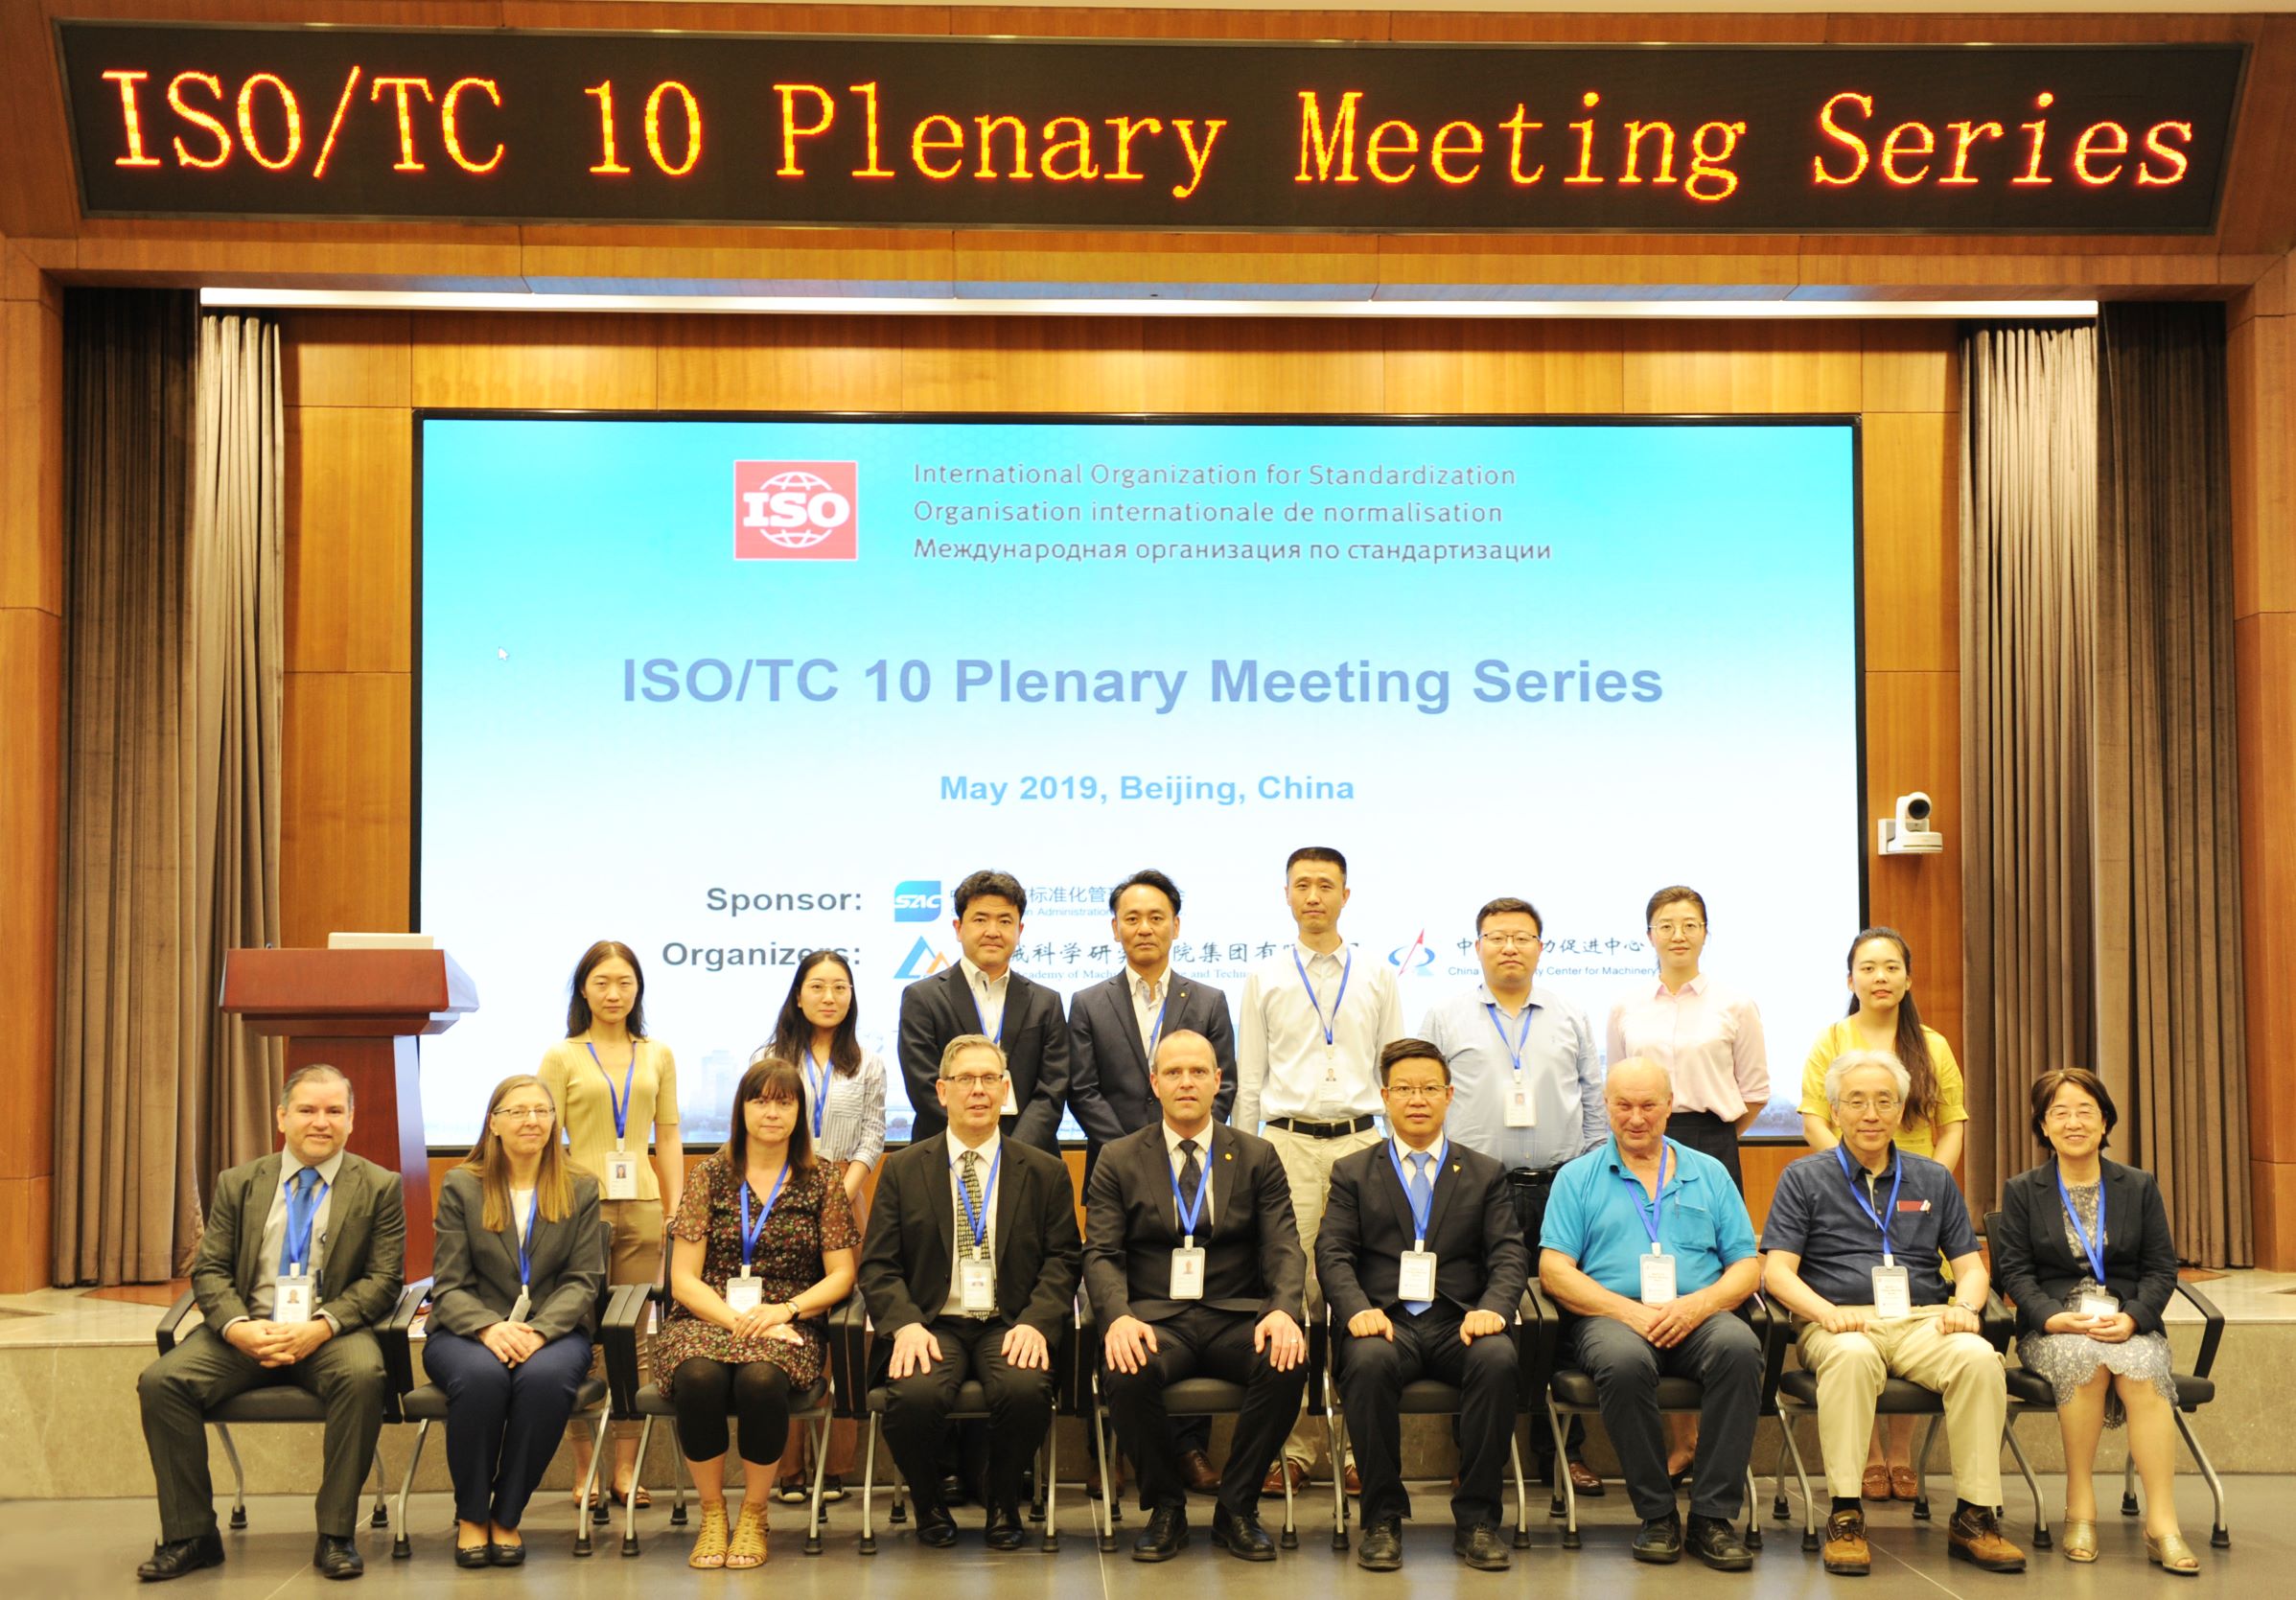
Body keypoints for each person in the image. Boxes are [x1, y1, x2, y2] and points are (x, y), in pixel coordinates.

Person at [135, 1064, 406, 1583]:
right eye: (307, 1110)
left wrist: (321, 1326)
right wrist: (237, 1327)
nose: (321, 1122)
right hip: (245, 1331)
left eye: (334, 1111)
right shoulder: (238, 1183)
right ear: (282, 1117)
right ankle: (191, 1535)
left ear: (351, 1119)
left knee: (363, 1376)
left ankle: (336, 1534)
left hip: (331, 1333)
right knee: (162, 1382)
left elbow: (383, 1280)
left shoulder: (379, 1186)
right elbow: (210, 1270)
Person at [1761, 1051, 2024, 1577]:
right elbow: (1777, 1273)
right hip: (1841, 1322)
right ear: (1835, 1111)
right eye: (1856, 1101)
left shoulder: (1932, 1178)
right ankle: (1845, 1515)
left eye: (1884, 1101)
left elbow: (1972, 1269)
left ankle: (1974, 1516)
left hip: (1923, 1321)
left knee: (1979, 1359)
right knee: (1852, 1357)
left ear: (1901, 1110)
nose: (1871, 1113)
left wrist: (1965, 1307)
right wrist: (1825, 1312)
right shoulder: (1803, 1177)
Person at [1086, 1030, 1309, 1562]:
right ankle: (1166, 1508)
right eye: (1173, 1072)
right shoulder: (1118, 1158)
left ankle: (1237, 1509)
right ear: (1154, 1083)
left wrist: (1283, 1310)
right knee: (1125, 1367)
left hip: (1236, 1317)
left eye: (1198, 1072)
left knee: (1286, 1361)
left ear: (1218, 1081)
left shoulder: (1256, 1156)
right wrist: (1118, 1317)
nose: (1186, 1082)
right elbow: (1100, 1254)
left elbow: (1283, 1246)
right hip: (1155, 1321)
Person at [858, 1034, 1083, 1548]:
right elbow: (878, 1265)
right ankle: (928, 1502)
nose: (978, 1090)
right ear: (942, 1092)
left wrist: (1037, 1322)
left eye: (989, 1079)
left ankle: (1003, 1500)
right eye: (965, 1079)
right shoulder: (904, 1169)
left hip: (1010, 1320)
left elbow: (1064, 1259)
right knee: (912, 1396)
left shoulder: (1044, 1171)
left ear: (1006, 1090)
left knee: (1026, 1389)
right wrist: (905, 1324)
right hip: (931, 1322)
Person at [1538, 1058, 1761, 1570]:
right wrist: (1628, 1313)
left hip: (1699, 1314)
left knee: (1741, 1349)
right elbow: (1554, 1271)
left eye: (1648, 1105)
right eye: (1623, 1105)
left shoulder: (1709, 1173)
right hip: (1611, 1317)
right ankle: (1657, 1514)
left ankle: (1712, 1517)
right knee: (1623, 1363)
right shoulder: (1577, 1177)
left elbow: (1747, 1267)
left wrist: (1699, 1305)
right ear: (1606, 1106)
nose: (1636, 1118)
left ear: (1669, 1106)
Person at [1317, 1039, 1527, 1573]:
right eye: (1405, 1089)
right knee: (1366, 1361)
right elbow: (1333, 1253)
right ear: (1384, 1096)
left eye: (1430, 1088)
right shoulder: (1352, 1171)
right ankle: (1382, 1518)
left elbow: (1508, 1254)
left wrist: (1493, 1308)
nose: (1417, 1099)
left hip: (1460, 1321)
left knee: (1498, 1357)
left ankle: (1478, 1520)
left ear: (1449, 1095)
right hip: (1385, 1322)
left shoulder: (1483, 1171)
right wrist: (1356, 1309)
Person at [1420, 895, 1605, 1496]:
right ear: (1477, 947)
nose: (1509, 947)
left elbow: (1594, 1098)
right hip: (1473, 1188)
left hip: (1560, 1184)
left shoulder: (1570, 1014)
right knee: (1471, 1315)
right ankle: (1476, 1455)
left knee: (1562, 1321)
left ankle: (1562, 1452)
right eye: (1496, 937)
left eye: (1521, 937)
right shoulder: (1445, 1016)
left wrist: (1590, 1172)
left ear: (1540, 948)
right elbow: (1424, 1094)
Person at [1234, 846, 1403, 1494]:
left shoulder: (1378, 974)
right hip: (1287, 1145)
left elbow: (1394, 1072)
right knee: (1295, 1291)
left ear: (1345, 895)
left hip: (1362, 1142)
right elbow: (1250, 1079)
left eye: (1325, 885)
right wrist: (1245, 1157)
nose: (1313, 896)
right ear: (1286, 895)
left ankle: (1360, 1448)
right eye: (1301, 885)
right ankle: (1296, 1448)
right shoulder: (1265, 977)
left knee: (1364, 1291)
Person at [1066, 867, 1236, 1495]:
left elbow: (1226, 1085)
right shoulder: (1088, 1002)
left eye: (1156, 917)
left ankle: (1188, 1447)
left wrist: (1179, 1145)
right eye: (1132, 918)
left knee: (1191, 1307)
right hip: (1117, 1176)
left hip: (1195, 1176)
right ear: (1115, 928)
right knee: (1113, 1302)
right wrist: (1135, 1155)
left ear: (1176, 926)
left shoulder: (1208, 1000)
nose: (1144, 927)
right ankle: (1108, 1449)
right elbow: (1081, 1088)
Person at [653, 1057, 859, 1569]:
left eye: (784, 1102)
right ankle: (712, 1513)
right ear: (740, 1109)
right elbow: (684, 1279)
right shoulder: (709, 1176)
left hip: (789, 1320)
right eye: (760, 1100)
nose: (772, 1112)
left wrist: (784, 1311)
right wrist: (737, 1320)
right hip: (707, 1316)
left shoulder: (822, 1179)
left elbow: (841, 1276)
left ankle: (754, 1512)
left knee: (761, 1380)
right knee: (697, 1377)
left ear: (799, 1113)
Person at [1992, 1068, 2196, 1574]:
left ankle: (2162, 1524)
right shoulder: (2023, 1190)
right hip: (2056, 1325)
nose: (2074, 1122)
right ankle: (2079, 1508)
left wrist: (2133, 1319)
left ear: (2105, 1122)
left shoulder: (2138, 1185)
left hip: (2126, 1320)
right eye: (2059, 1112)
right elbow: (2015, 1272)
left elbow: (2161, 1269)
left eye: (2085, 1111)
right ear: (2043, 1126)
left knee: (2141, 1370)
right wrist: (2052, 1318)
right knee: (2085, 1362)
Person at [1797, 925, 1969, 1503]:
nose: (1880, 977)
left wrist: (1930, 1181)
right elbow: (1814, 1117)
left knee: (1912, 1305)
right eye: (1868, 968)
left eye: (1891, 967)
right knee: (1858, 1319)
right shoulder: (1832, 1038)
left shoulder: (1932, 1045)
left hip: (1915, 1196)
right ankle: (1869, 1455)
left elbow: (1952, 1123)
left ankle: (1900, 1453)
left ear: (1908, 978)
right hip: (1847, 1186)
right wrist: (1848, 1173)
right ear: (1850, 979)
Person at [423, 1075, 607, 1566]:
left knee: (544, 1380)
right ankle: (471, 1515)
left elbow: (583, 1280)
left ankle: (506, 1514)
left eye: (542, 1111)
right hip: (467, 1330)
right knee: (481, 1379)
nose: (532, 1120)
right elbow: (449, 1283)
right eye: (518, 1111)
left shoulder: (580, 1187)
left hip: (553, 1332)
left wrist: (539, 1331)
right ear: (494, 1124)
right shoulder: (462, 1185)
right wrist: (489, 1327)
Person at [537, 939, 682, 1511]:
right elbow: (545, 1139)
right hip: (579, 1208)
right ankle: (585, 1467)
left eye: (625, 982)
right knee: (580, 1337)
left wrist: (674, 1210)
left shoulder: (658, 1053)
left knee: (633, 1340)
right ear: (583, 989)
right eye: (602, 982)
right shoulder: (562, 1056)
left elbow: (668, 1135)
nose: (614, 993)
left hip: (643, 1204)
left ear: (638, 988)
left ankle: (626, 1469)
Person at [759, 949, 887, 1503]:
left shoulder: (869, 1063)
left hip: (845, 1198)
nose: (829, 997)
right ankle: (788, 1468)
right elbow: (759, 1129)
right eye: (817, 986)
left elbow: (873, 1137)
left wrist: (838, 1194)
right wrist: (797, 1193)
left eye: (840, 987)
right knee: (785, 1325)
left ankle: (835, 1466)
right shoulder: (768, 1058)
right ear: (798, 994)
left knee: (844, 1331)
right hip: (778, 1201)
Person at [1604, 886, 1767, 1189]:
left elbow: (1755, 1094)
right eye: (1666, 926)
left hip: (1713, 1141)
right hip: (1642, 1138)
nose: (1678, 936)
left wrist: (1720, 1135)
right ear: (1650, 936)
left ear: (1705, 933)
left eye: (1690, 925)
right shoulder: (1624, 1008)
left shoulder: (1737, 1005)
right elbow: (1616, 1086)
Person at [897, 869, 1069, 1151]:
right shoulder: (923, 998)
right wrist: (975, 1145)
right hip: (945, 1153)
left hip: (1029, 1156)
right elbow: (924, 1086)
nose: (993, 931)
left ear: (1020, 930)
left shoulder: (1045, 1002)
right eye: (980, 919)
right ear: (958, 928)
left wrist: (1010, 1154)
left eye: (1005, 921)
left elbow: (1052, 1089)